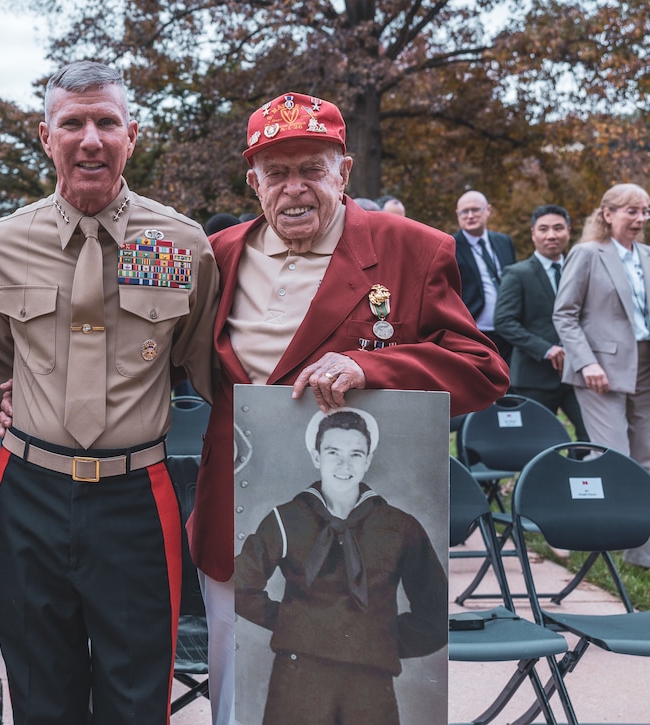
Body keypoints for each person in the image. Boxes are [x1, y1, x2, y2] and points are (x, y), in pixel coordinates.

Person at [189, 91, 508, 724]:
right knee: (241, 696)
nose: (294, 188)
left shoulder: (412, 248)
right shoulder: (217, 254)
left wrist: (372, 367)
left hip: (366, 551)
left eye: (311, 168)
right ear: (253, 183)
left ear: (344, 171)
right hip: (242, 511)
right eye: (276, 173)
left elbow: (483, 369)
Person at [0, 60, 218, 723]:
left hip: (136, 497)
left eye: (106, 122)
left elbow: (203, 363)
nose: (90, 138)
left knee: (138, 695)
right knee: (40, 690)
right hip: (27, 491)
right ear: (45, 135)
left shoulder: (180, 244)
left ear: (131, 135)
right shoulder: (2, 245)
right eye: (73, 122)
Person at [235, 409, 447, 724]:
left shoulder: (399, 526)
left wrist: (380, 637)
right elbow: (239, 586)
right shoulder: (285, 519)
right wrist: (294, 623)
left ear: (368, 460)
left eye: (355, 454)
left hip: (370, 680)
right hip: (298, 674)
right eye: (333, 452)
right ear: (316, 456)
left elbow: (437, 612)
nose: (344, 465)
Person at [553, 182, 650, 566]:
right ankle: (597, 540)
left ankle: (640, 552)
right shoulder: (588, 254)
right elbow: (564, 314)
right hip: (600, 372)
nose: (641, 219)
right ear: (608, 214)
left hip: (645, 367)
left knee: (645, 459)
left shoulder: (646, 255)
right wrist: (586, 361)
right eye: (632, 211)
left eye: (645, 212)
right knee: (614, 458)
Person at [494, 204, 588, 441]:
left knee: (592, 436)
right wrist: (545, 349)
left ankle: (577, 477)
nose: (551, 235)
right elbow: (504, 321)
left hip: (577, 374)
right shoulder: (517, 273)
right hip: (535, 377)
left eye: (558, 228)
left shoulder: (580, 270)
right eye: (543, 229)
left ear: (568, 230)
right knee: (537, 443)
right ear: (533, 233)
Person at [453, 190, 516, 360]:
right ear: (457, 215)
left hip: (509, 332)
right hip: (474, 332)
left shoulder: (504, 242)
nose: (470, 216)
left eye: (475, 210)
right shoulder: (450, 247)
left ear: (488, 210)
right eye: (464, 212)